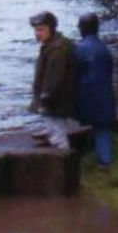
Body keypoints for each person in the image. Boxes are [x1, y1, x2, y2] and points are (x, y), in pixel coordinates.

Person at [29, 11, 77, 149]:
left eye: (42, 29)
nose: (38, 33)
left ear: (51, 28)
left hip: (58, 97)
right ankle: (52, 136)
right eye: (36, 30)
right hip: (58, 95)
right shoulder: (54, 44)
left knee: (58, 131)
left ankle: (63, 157)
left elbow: (54, 77)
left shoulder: (57, 49)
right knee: (53, 123)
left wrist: (46, 95)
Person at [73, 13, 117, 169]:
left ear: (83, 28)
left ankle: (82, 159)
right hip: (105, 94)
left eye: (79, 26)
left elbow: (73, 73)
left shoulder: (79, 49)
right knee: (102, 128)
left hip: (87, 95)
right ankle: (104, 160)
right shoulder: (104, 48)